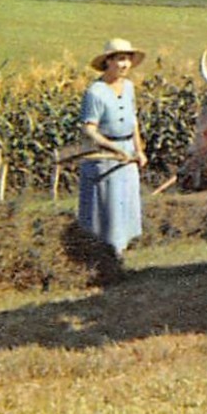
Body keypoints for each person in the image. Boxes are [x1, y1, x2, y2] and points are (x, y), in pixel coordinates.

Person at [77, 37, 149, 259]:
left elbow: (133, 120)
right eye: (120, 59)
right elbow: (89, 129)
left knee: (126, 201)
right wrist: (115, 150)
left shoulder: (128, 87)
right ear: (108, 62)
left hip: (127, 151)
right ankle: (107, 254)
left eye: (127, 60)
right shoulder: (95, 92)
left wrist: (139, 150)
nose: (125, 65)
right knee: (108, 205)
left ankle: (122, 250)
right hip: (106, 155)